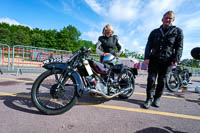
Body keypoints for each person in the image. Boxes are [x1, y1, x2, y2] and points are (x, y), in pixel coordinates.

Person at [143, 10, 184, 109]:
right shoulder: (154, 32)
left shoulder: (178, 31)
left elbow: (179, 47)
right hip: (154, 59)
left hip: (167, 60)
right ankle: (149, 98)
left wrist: (176, 59)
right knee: (151, 79)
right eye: (166, 18)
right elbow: (148, 45)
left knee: (162, 81)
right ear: (162, 19)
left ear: (173, 19)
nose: (168, 19)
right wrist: (147, 57)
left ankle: (157, 98)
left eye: (170, 18)